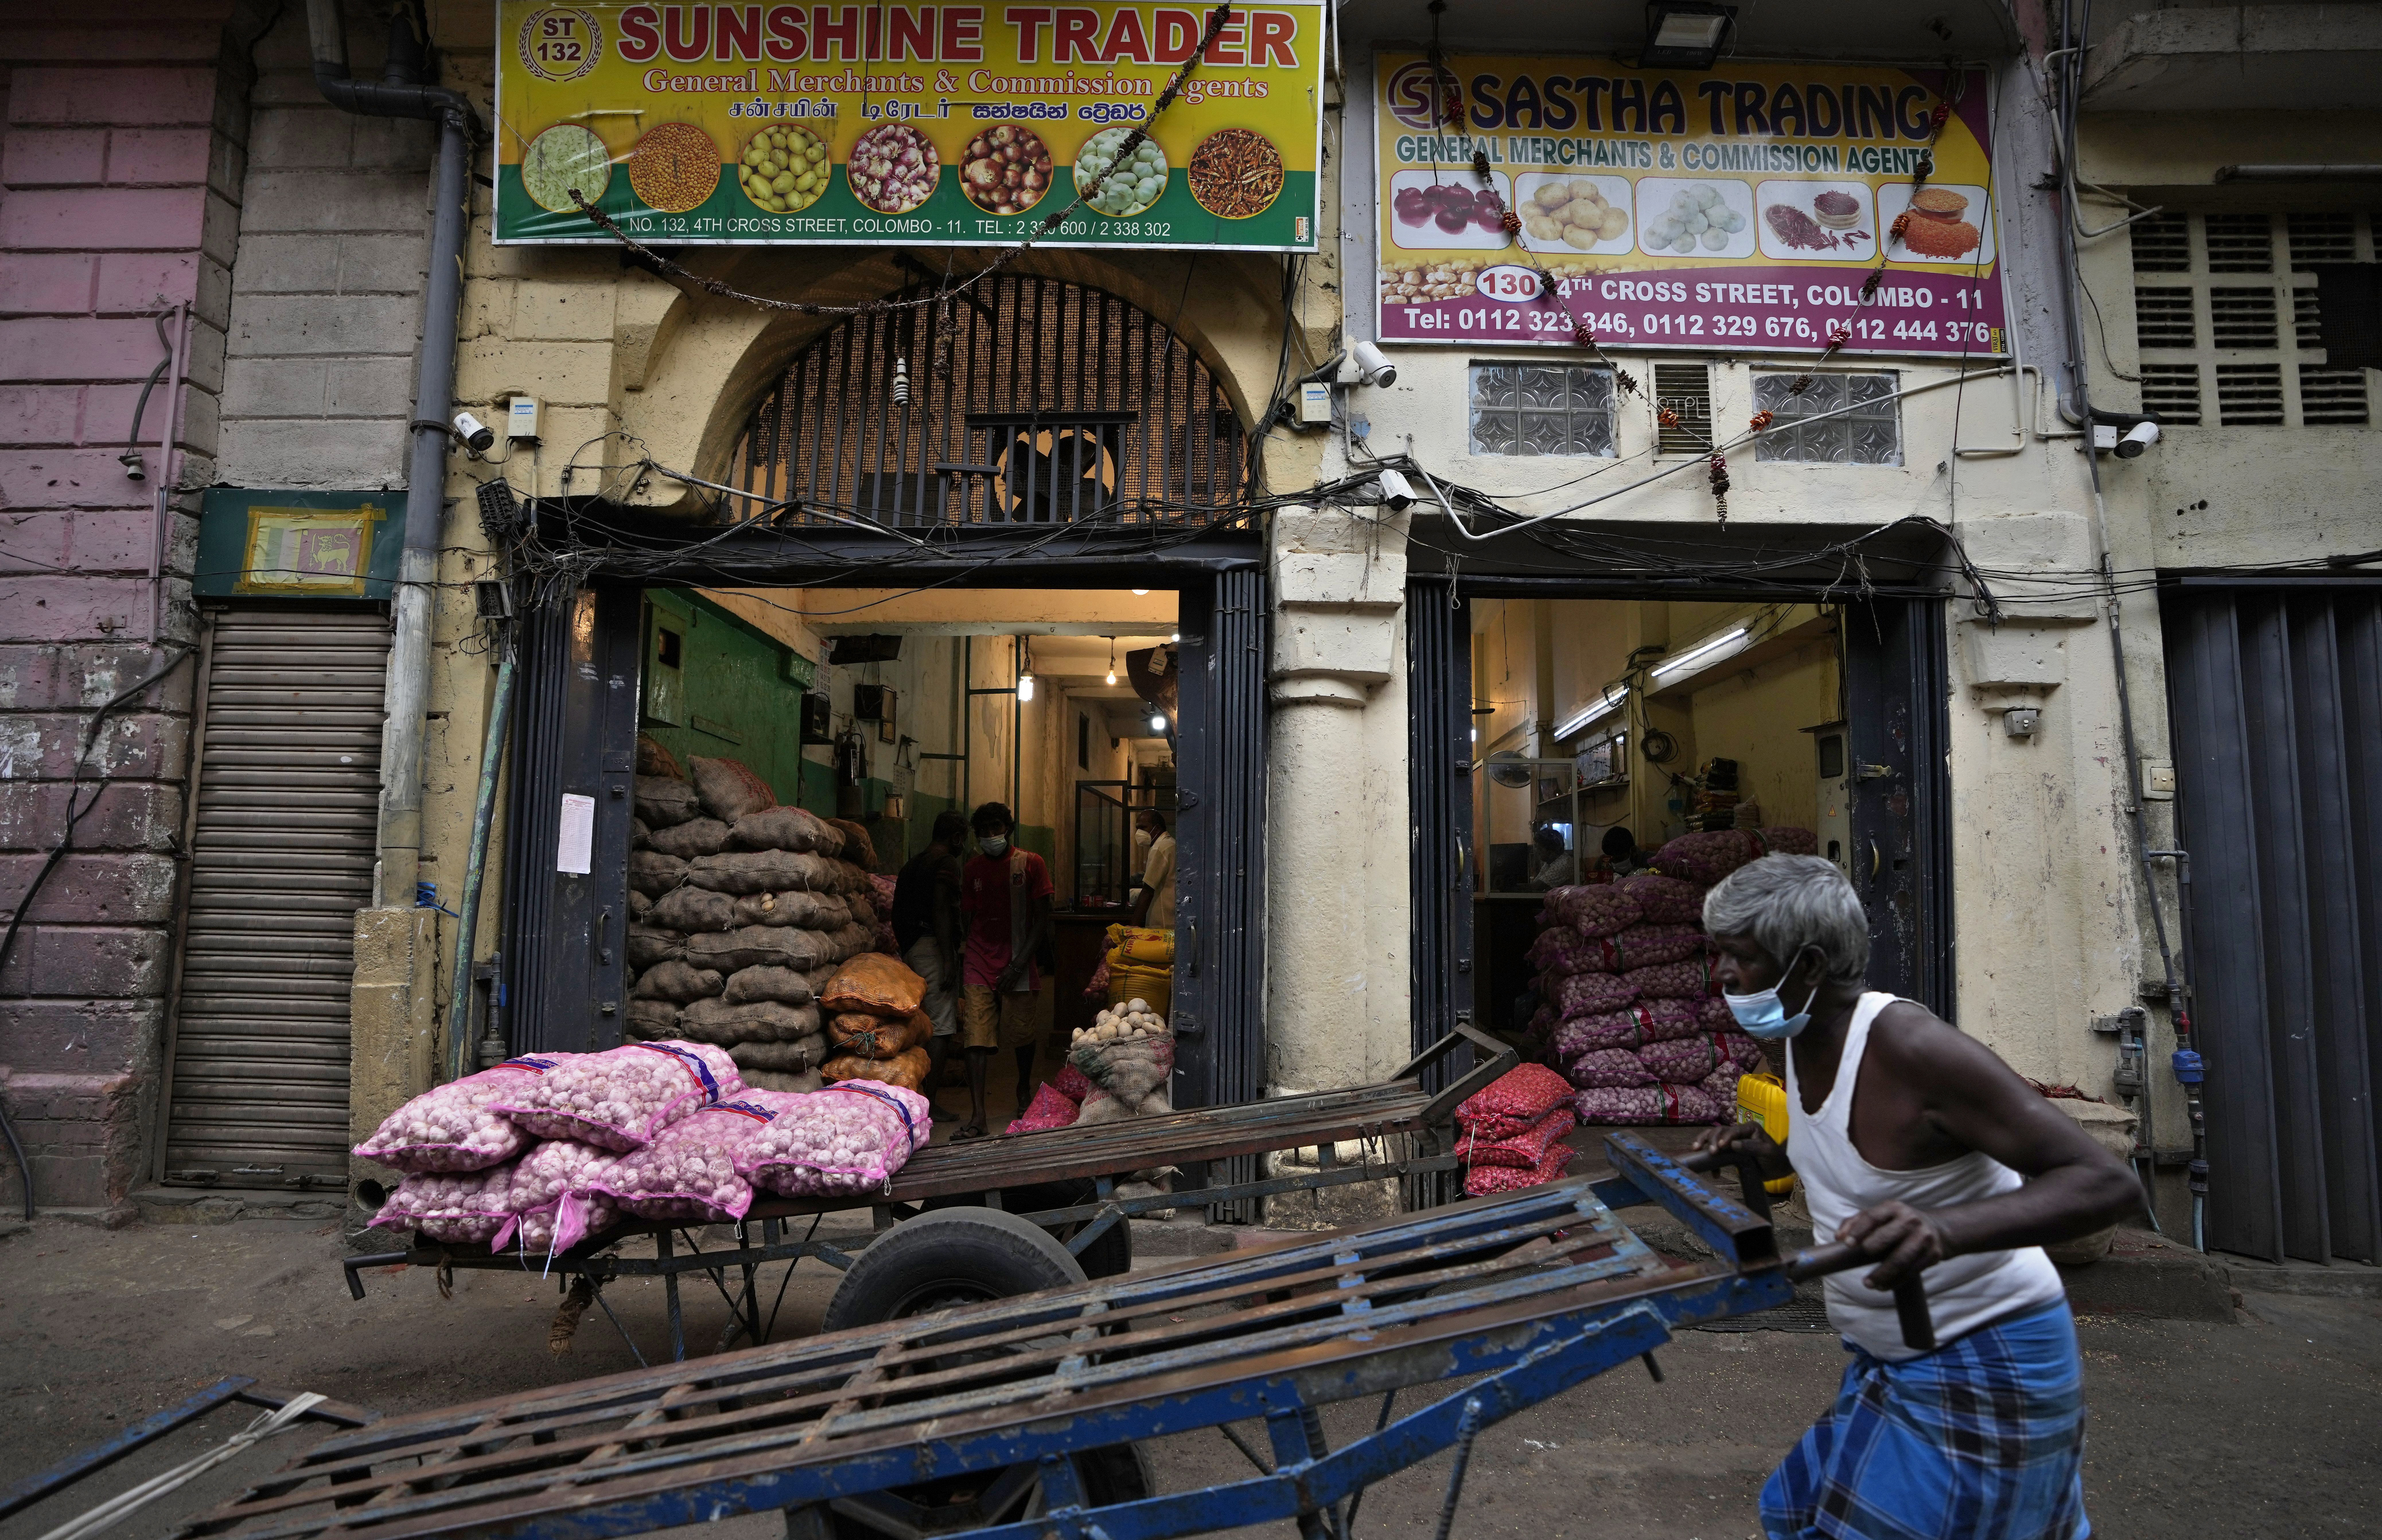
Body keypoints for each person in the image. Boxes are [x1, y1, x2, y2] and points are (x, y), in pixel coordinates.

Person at [1692, 855, 2139, 1540]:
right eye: (1718, 954)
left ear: (1808, 965)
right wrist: (1768, 1153)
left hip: (1987, 1353)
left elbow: (2105, 1181)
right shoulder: (1791, 1036)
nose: (1722, 975)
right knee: (1799, 1515)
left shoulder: (1910, 1047)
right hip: (1891, 1357)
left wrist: (1943, 1230)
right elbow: (1851, 1151)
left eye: (1741, 957)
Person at [955, 801, 1052, 1139]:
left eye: (996, 828)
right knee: (976, 1038)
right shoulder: (972, 869)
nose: (989, 836)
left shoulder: (1031, 864)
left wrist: (1020, 963)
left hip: (1020, 961)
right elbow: (968, 917)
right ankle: (978, 1115)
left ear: (1008, 829)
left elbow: (1043, 920)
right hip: (980, 960)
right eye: (982, 831)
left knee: (1022, 1034)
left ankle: (1023, 1090)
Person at [890, 810, 967, 1117]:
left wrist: (907, 948)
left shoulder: (913, 864)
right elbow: (942, 911)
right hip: (932, 947)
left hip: (911, 949)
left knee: (920, 1022)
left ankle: (916, 1094)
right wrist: (948, 959)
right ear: (957, 838)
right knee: (941, 1027)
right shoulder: (945, 863)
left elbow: (897, 912)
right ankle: (929, 1104)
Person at [1126, 808, 1176, 928]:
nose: (1139, 833)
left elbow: (1148, 891)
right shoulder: (1171, 844)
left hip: (1163, 922)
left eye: (1143, 828)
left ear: (1157, 829)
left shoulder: (1160, 848)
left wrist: (1133, 927)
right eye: (1137, 828)